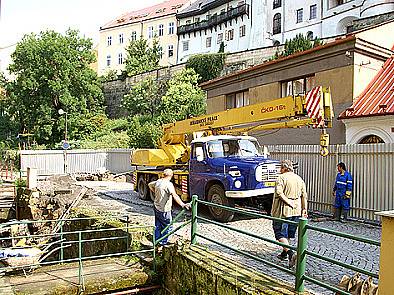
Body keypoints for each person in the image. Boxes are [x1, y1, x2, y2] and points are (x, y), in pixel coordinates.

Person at [271, 160, 308, 268]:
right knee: (288, 233)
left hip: (283, 211)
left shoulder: (281, 178)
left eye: (280, 168)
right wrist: (304, 209)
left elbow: (279, 193)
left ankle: (290, 254)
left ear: (284, 168)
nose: (279, 170)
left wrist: (288, 202)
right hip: (297, 211)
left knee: (280, 234)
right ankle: (284, 253)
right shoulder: (299, 179)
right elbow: (304, 195)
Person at [148, 169, 190, 246]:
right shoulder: (168, 184)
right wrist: (183, 204)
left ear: (163, 175)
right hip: (164, 209)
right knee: (168, 226)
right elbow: (175, 195)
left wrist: (155, 192)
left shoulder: (158, 181)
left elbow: (150, 184)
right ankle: (163, 243)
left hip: (156, 206)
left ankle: (156, 241)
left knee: (158, 225)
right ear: (171, 176)